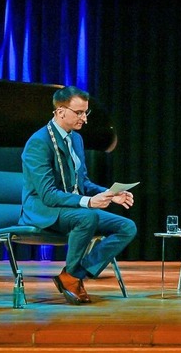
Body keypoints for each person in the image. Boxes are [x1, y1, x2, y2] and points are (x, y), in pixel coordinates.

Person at [20, 86, 137, 305]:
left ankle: (73, 274)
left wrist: (110, 194)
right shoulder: (39, 143)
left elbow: (81, 182)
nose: (84, 118)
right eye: (79, 112)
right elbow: (48, 195)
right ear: (60, 111)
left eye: (86, 112)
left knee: (127, 227)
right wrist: (89, 202)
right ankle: (73, 277)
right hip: (44, 210)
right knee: (88, 216)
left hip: (73, 209)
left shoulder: (76, 140)